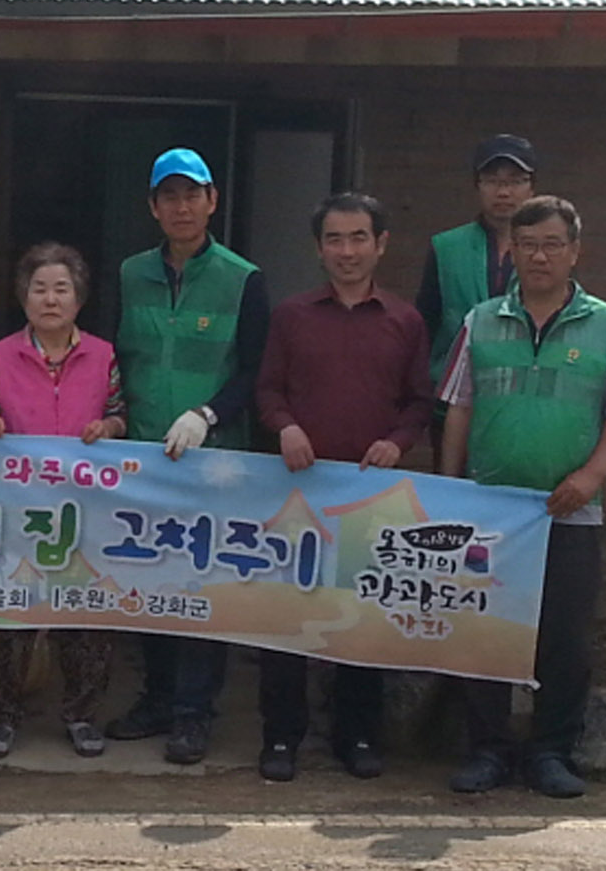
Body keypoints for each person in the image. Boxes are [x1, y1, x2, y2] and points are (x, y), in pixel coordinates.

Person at [439, 196, 606, 799]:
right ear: (512, 252)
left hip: (571, 512)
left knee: (565, 640)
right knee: (485, 633)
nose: (540, 256)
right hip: (491, 513)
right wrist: (452, 489)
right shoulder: (480, 321)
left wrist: (593, 476)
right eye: (527, 245)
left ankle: (552, 752)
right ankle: (488, 751)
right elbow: (459, 408)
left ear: (575, 251)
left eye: (553, 244)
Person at [252, 193, 432, 782]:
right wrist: (285, 426)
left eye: (359, 238)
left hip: (368, 494)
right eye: (335, 239)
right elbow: (268, 390)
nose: (347, 251)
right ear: (319, 248)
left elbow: (419, 403)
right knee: (288, 615)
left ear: (380, 244)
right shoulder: (292, 316)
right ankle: (281, 737)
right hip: (299, 492)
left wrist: (397, 442)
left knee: (361, 617)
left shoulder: (405, 321)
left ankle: (357, 734)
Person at [101, 147, 269, 766]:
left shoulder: (243, 279)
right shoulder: (129, 274)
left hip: (213, 461)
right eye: (169, 196)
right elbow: (110, 357)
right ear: (152, 206)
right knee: (150, 582)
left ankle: (194, 713)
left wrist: (208, 414)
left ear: (212, 201)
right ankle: (157, 698)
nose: (181, 207)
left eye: (192, 194)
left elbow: (256, 370)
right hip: (143, 457)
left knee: (201, 587)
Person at [0, 242, 123, 759]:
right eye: (40, 289)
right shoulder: (0, 355)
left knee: (85, 616)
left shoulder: (103, 355)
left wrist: (108, 427)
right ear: (24, 297)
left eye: (62, 289)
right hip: (17, 505)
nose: (50, 300)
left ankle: (81, 715)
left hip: (84, 507)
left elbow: (120, 413)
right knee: (9, 614)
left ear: (79, 299)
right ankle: (3, 716)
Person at [417, 134, 538, 468]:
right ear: (477, 185)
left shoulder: (547, 251)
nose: (504, 192)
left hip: (521, 406)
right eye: (493, 181)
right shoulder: (446, 247)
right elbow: (425, 326)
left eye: (515, 181)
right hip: (452, 404)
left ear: (532, 188)